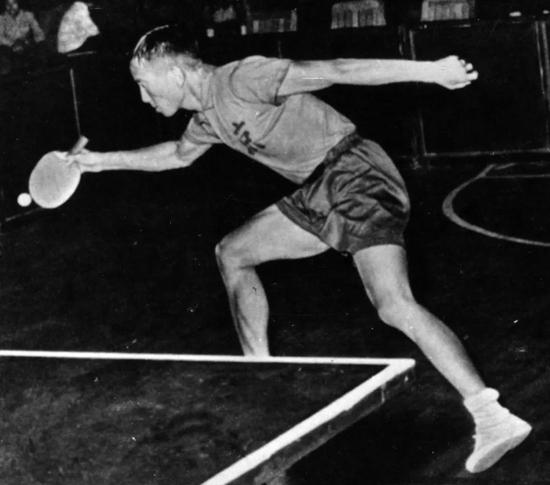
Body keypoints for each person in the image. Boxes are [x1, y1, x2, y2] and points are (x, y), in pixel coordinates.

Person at [69, 25, 531, 473]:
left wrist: (430, 70)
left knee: (393, 304)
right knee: (233, 253)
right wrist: (98, 163)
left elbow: (336, 69)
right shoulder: (208, 117)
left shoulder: (241, 78)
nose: (143, 97)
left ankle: (492, 416)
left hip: (355, 174)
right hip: (318, 191)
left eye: (144, 84)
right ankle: (263, 380)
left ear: (174, 73)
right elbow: (177, 154)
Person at [0, 0, 45, 74]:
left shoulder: (28, 15)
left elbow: (39, 32)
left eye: (14, 3)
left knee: (39, 57)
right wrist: (12, 44)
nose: (11, 7)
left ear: (19, 3)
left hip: (27, 45)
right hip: (10, 48)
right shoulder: (1, 19)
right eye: (7, 4)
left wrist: (32, 41)